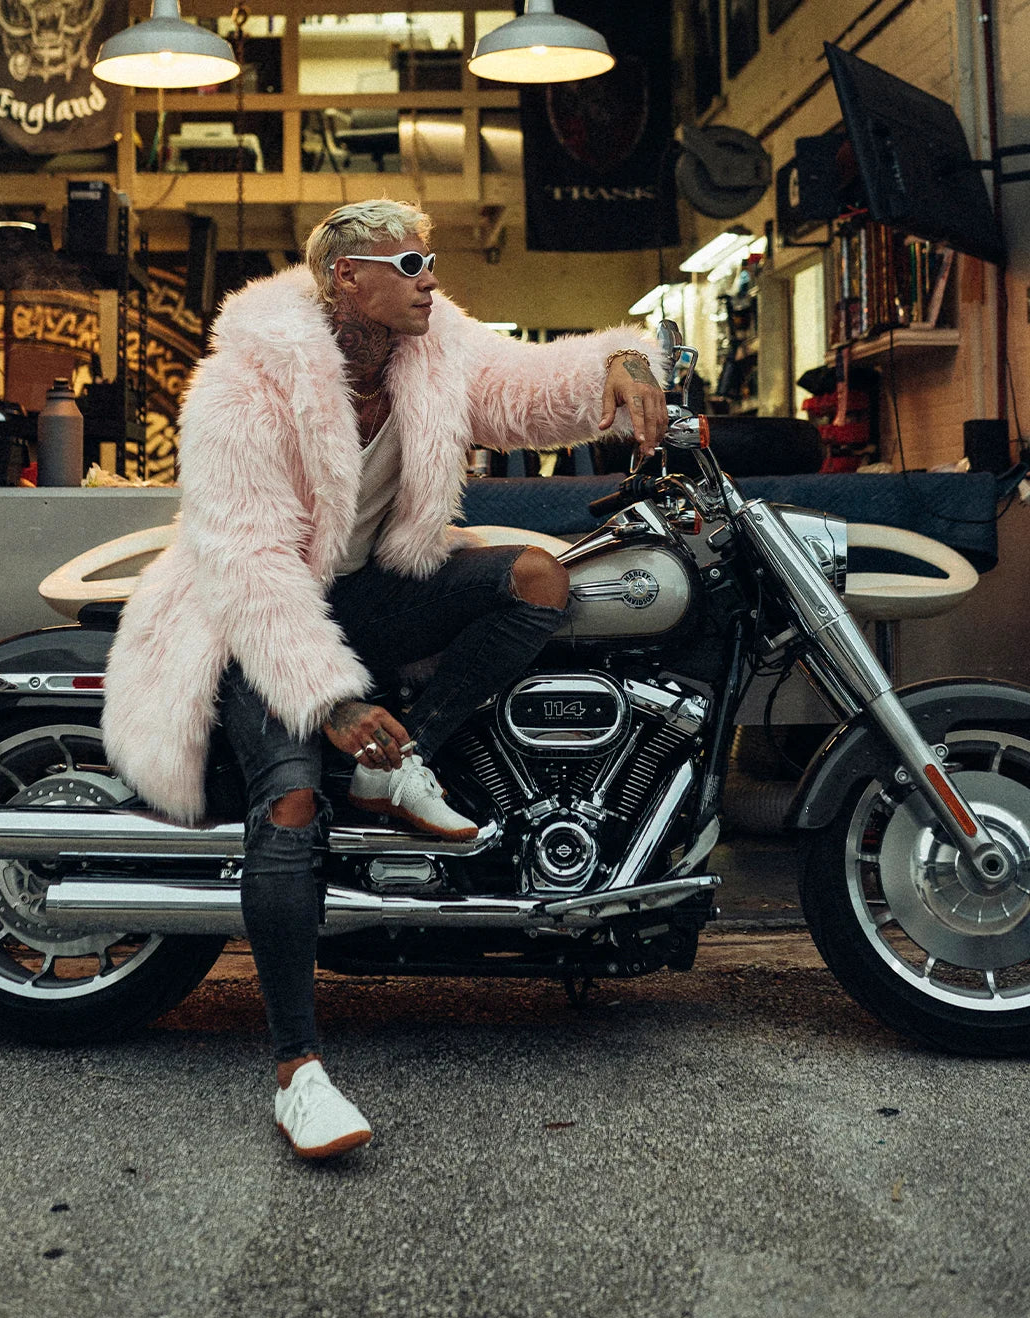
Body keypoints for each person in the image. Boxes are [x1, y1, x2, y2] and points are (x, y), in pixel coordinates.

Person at [102, 199, 667, 1160]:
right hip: (251, 617)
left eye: (430, 258)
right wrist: (331, 698)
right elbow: (248, 563)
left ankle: (403, 765)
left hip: (364, 591)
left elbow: (523, 387)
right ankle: (298, 1073)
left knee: (538, 578)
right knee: (287, 807)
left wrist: (615, 362)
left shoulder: (430, 345)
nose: (429, 276)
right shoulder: (241, 389)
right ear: (345, 279)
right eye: (406, 262)